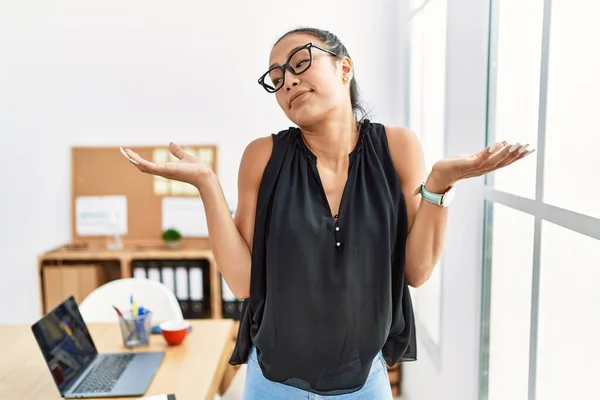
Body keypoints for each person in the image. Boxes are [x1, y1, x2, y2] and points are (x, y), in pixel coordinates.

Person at [121, 27, 534, 399]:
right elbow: (243, 282)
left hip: (363, 383)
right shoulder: (262, 156)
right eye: (277, 79)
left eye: (301, 62)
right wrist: (207, 185)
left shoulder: (398, 147)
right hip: (272, 384)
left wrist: (441, 182)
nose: (289, 81)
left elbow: (417, 271)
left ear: (344, 68)